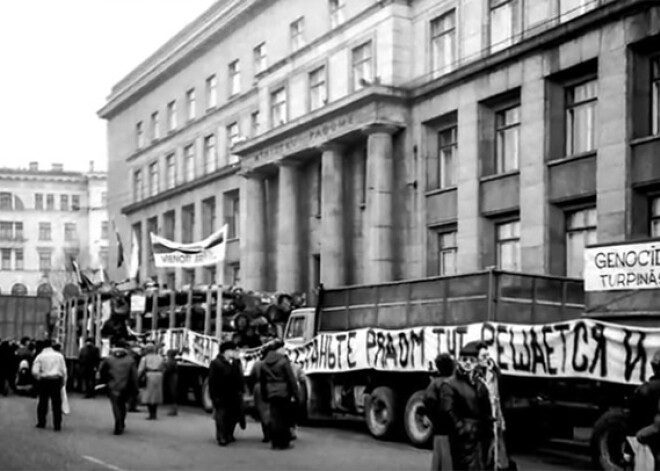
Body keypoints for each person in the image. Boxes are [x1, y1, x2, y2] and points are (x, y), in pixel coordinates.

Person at [440, 341, 492, 471]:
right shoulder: (450, 384)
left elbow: (485, 409)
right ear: (459, 362)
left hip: (480, 437)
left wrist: (489, 425)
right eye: (464, 359)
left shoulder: (480, 384)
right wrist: (462, 428)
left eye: (471, 360)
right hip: (463, 439)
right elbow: (447, 410)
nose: (468, 362)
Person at [475, 342, 515, 471]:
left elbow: (497, 398)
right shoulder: (474, 376)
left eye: (487, 355)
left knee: (498, 454)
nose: (486, 358)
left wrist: (501, 419)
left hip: (494, 420)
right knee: (483, 453)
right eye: (483, 355)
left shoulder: (494, 373)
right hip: (481, 421)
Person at [260, 339, 299, 450]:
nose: (284, 350)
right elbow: (290, 379)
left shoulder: (264, 363)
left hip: (271, 392)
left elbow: (263, 381)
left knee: (274, 418)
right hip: (284, 392)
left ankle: (275, 442)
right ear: (278, 350)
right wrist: (295, 394)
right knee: (284, 418)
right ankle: (284, 442)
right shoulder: (283, 361)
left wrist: (264, 394)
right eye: (283, 348)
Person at [99, 338, 139, 435]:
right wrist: (135, 388)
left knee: (116, 405)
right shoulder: (130, 360)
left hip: (113, 386)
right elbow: (134, 375)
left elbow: (102, 371)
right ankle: (121, 421)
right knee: (123, 405)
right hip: (126, 387)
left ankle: (118, 423)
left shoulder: (109, 359)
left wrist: (104, 382)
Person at [424, 353, 456, 471]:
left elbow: (428, 402)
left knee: (439, 457)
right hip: (452, 427)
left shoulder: (434, 384)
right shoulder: (454, 383)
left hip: (439, 427)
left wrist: (433, 418)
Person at [208, 341, 244, 446]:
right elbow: (212, 381)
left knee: (232, 416)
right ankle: (221, 436)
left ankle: (229, 434)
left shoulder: (235, 363)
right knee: (221, 416)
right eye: (233, 350)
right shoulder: (216, 363)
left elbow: (239, 378)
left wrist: (241, 390)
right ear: (226, 351)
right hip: (221, 394)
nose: (235, 352)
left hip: (234, 394)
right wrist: (214, 395)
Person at [32, 339, 68, 431]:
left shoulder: (40, 356)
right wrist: (64, 381)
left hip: (44, 381)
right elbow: (64, 370)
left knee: (43, 402)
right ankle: (57, 424)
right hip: (56, 380)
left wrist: (39, 377)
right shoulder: (59, 356)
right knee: (56, 403)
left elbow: (35, 371)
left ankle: (41, 422)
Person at [138, 342, 165, 420]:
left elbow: (140, 370)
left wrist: (137, 378)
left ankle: (151, 414)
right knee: (156, 395)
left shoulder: (144, 358)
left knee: (148, 396)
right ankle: (154, 413)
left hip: (149, 375)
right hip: (159, 376)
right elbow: (163, 367)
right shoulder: (160, 357)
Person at [251, 348, 272, 443]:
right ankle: (272, 433)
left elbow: (252, 376)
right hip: (272, 386)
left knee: (263, 411)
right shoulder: (274, 363)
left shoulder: (257, 364)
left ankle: (266, 434)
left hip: (259, 387)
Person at [163, 349, 179, 416]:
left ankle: (173, 410)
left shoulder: (170, 361)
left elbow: (168, 370)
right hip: (174, 377)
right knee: (173, 394)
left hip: (172, 378)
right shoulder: (173, 361)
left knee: (172, 394)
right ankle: (174, 410)